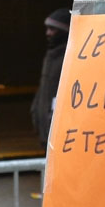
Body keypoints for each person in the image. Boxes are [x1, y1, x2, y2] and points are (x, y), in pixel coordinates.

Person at [31, 8, 71, 150]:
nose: (48, 33)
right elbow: (44, 88)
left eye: (52, 29)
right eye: (47, 28)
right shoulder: (51, 55)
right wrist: (36, 110)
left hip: (59, 129)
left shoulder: (70, 57)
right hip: (46, 127)